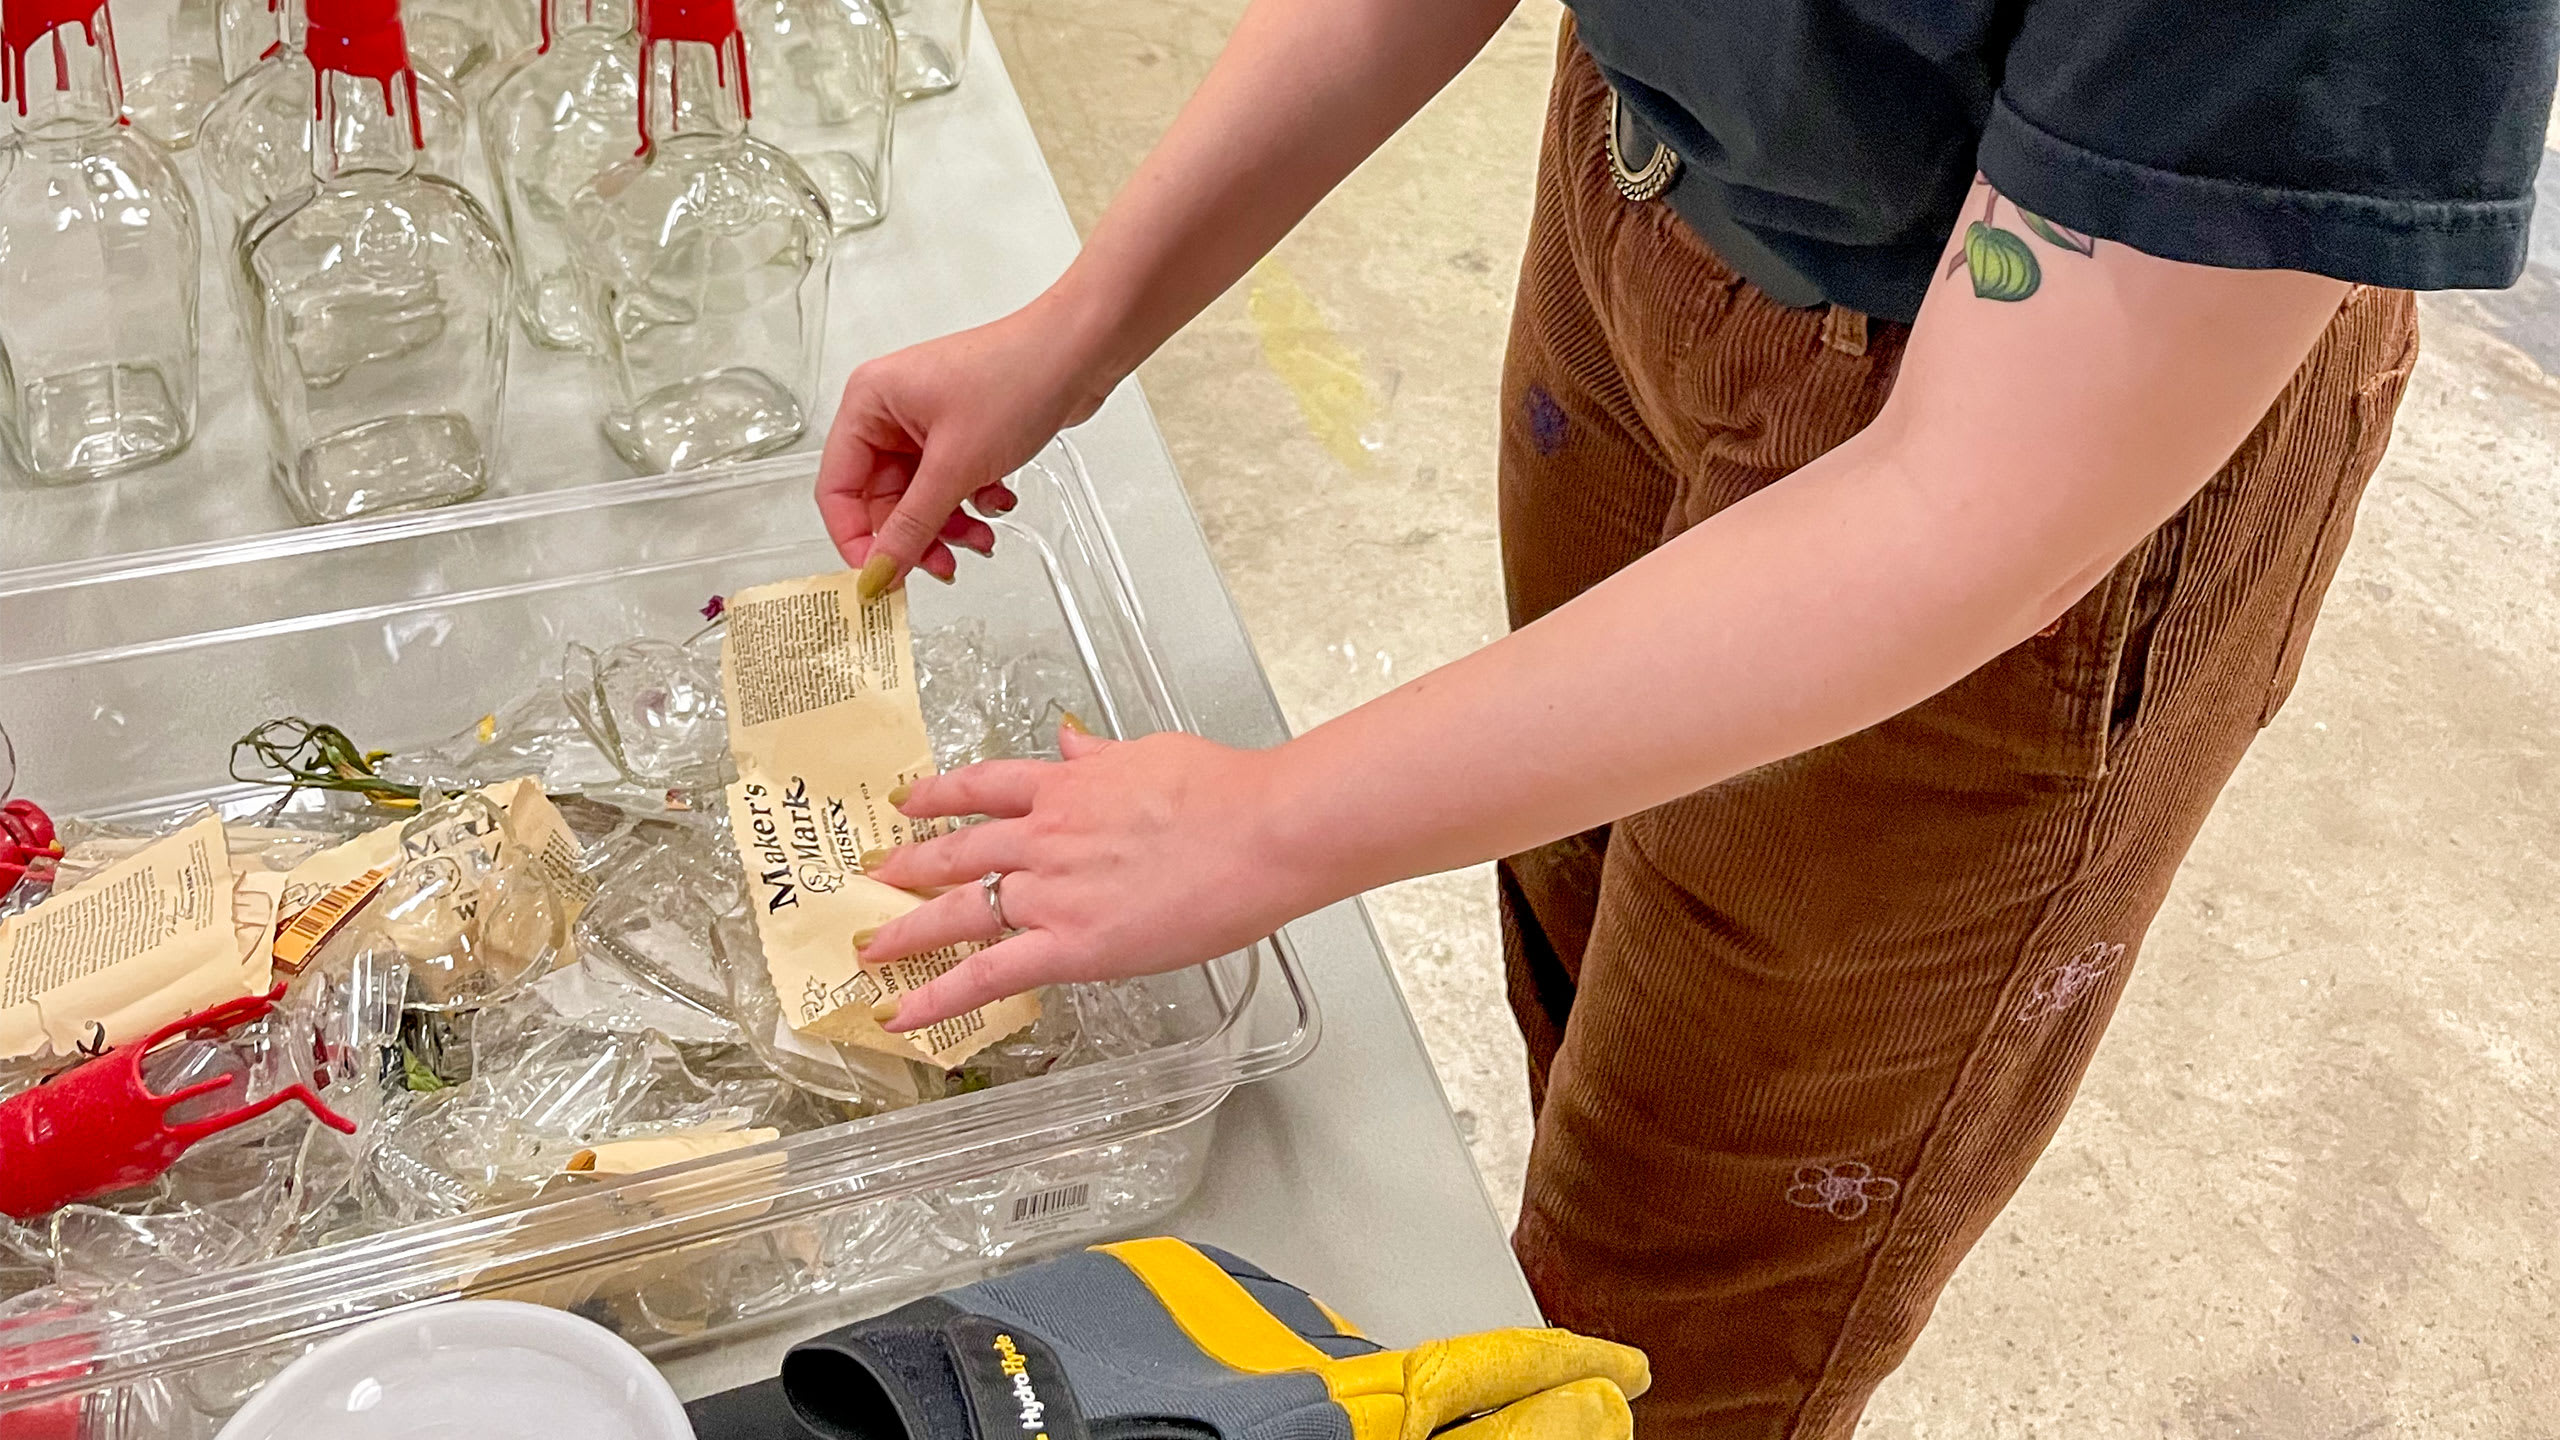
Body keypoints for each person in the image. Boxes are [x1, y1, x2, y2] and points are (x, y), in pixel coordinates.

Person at [814, 0, 2557, 1432]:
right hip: (1644, 192)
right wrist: (1084, 320)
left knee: (1679, 1308)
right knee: (1581, 988)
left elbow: (1979, 515)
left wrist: (1269, 825)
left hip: (2031, 401)